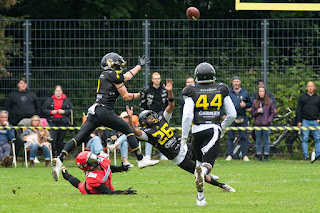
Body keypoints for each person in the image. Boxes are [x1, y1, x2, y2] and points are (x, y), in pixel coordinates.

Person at [52, 52, 159, 181]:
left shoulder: (108, 75)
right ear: (112, 63)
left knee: (79, 138)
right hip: (105, 111)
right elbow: (127, 97)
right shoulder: (114, 75)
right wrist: (140, 93)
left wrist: (139, 66)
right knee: (129, 130)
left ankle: (60, 159)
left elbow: (126, 77)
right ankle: (140, 159)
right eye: (118, 62)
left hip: (95, 111)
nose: (120, 64)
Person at [127, 79, 235, 201]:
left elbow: (171, 105)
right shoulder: (147, 133)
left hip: (183, 146)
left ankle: (206, 171)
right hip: (178, 158)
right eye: (148, 118)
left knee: (204, 154)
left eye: (151, 115)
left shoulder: (163, 119)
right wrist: (131, 120)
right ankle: (222, 185)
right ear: (144, 123)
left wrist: (170, 92)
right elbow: (136, 131)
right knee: (197, 174)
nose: (151, 118)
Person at [181, 62, 237, 206]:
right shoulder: (221, 88)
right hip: (212, 130)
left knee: (198, 165)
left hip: (196, 131)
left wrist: (184, 137)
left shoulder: (191, 90)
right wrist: (222, 128)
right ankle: (203, 174)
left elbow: (187, 115)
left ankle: (200, 198)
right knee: (206, 166)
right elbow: (232, 114)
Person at [61, 151, 136, 195]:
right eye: (91, 160)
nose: (94, 159)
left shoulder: (101, 161)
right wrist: (122, 192)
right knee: (79, 185)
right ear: (87, 165)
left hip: (107, 183)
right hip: (89, 190)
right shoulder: (92, 179)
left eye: (92, 156)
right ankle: (66, 175)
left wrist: (121, 168)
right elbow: (107, 192)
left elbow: (109, 168)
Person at [140, 72, 169, 160]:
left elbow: (167, 103)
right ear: (152, 79)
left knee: (162, 134)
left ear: (160, 79)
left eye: (158, 78)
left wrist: (165, 114)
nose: (157, 80)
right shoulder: (147, 90)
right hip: (149, 115)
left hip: (161, 114)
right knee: (149, 133)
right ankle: (148, 155)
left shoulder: (164, 90)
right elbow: (143, 103)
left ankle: (162, 154)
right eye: (155, 78)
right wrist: (145, 115)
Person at [42, 85, 74, 157]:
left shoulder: (66, 100)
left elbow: (71, 111)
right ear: (54, 92)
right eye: (57, 90)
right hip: (52, 121)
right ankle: (53, 155)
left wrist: (64, 112)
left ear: (62, 92)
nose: (58, 92)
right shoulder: (49, 100)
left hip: (63, 122)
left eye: (59, 91)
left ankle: (60, 155)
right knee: (53, 139)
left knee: (61, 140)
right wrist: (51, 112)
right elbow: (44, 110)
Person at [225, 76, 252, 161]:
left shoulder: (245, 92)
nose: (236, 83)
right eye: (235, 81)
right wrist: (223, 114)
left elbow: (250, 104)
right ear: (232, 82)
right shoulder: (228, 92)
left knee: (243, 137)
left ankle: (244, 155)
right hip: (231, 118)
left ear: (240, 82)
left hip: (242, 117)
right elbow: (222, 104)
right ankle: (229, 155)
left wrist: (246, 105)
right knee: (230, 137)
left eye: (238, 81)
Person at [296, 81, 320, 161]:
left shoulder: (318, 98)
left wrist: (319, 119)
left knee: (317, 139)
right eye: (308, 86)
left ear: (314, 88)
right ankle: (305, 156)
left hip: (315, 121)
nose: (310, 88)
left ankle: (318, 156)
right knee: (304, 139)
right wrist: (299, 121)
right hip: (305, 121)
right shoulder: (302, 97)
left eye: (311, 86)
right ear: (306, 88)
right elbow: (298, 110)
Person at [251, 86, 276, 162]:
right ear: (258, 93)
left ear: (265, 93)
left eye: (263, 91)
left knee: (266, 140)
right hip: (257, 124)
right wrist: (257, 111)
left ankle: (266, 156)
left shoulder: (270, 102)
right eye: (260, 91)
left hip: (266, 124)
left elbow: (273, 112)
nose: (261, 93)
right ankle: (258, 156)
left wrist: (269, 120)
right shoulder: (255, 102)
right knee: (258, 140)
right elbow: (252, 114)